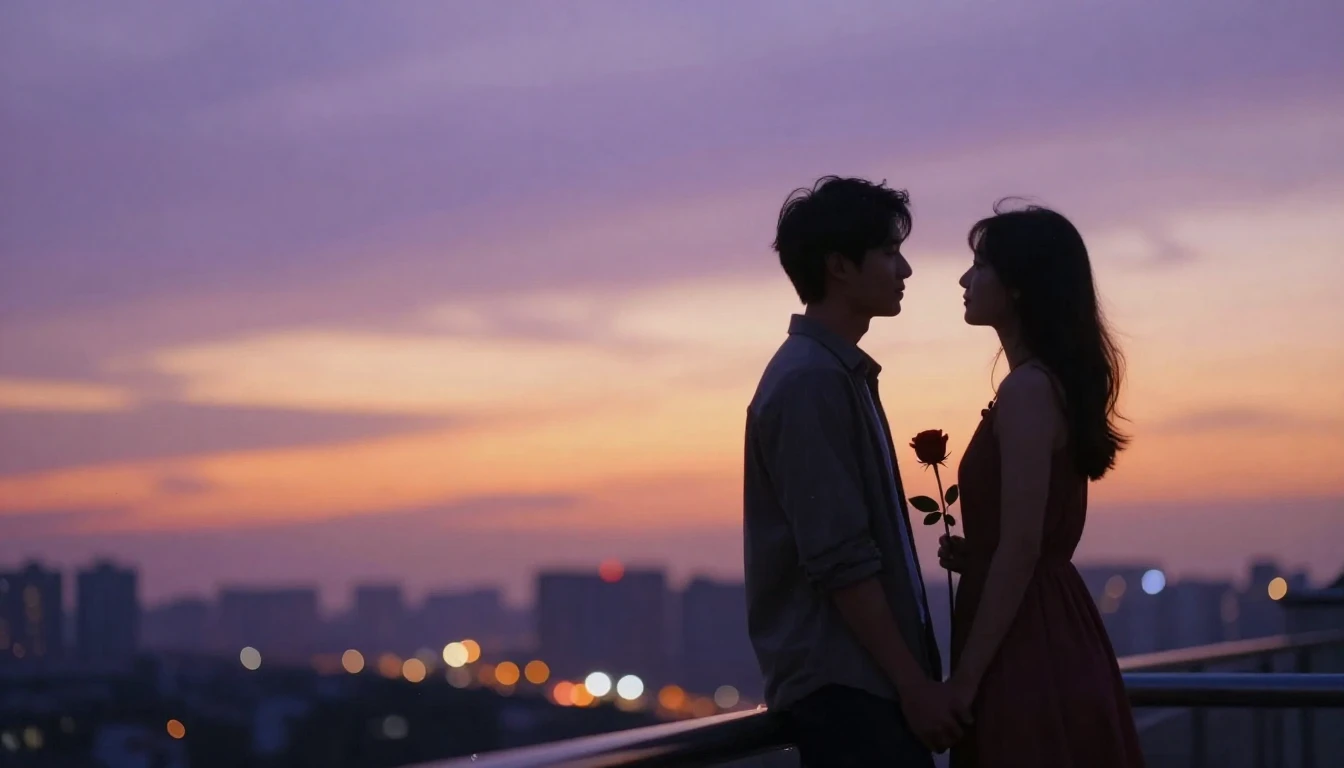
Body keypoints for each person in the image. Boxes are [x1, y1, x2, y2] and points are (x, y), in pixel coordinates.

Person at [743, 176, 971, 767]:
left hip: (862, 688)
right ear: (840, 266)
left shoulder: (833, 373)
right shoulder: (810, 381)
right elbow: (839, 557)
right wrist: (914, 686)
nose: (905, 270)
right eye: (890, 253)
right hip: (848, 693)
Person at [940, 202, 1144, 767]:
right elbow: (1029, 536)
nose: (964, 280)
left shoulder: (1028, 390)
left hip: (1028, 636)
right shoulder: (1044, 385)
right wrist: (980, 555)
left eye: (980, 265)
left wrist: (963, 683)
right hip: (1046, 619)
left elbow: (1023, 546)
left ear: (1019, 286)